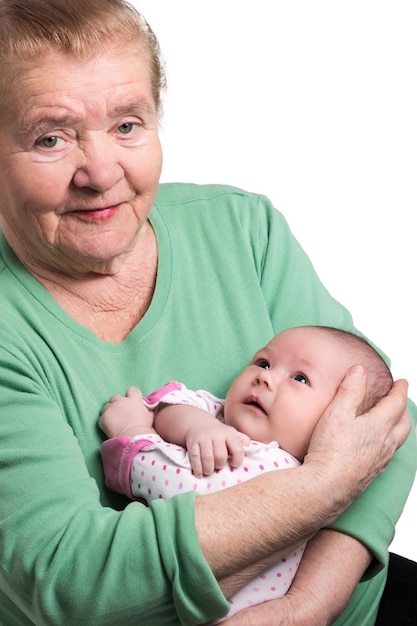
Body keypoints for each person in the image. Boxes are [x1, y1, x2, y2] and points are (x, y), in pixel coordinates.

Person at [0, 1, 414, 624]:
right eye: (51, 137)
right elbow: (73, 582)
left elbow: (386, 419)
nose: (103, 171)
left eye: (128, 125)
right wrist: (321, 487)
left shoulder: (240, 228)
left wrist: (308, 605)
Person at [98, 325, 395, 622]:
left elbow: (174, 484)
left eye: (300, 378)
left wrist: (133, 432)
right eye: (263, 362)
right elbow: (179, 404)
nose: (265, 376)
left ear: (341, 426)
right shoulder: (231, 419)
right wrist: (197, 426)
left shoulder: (275, 467)